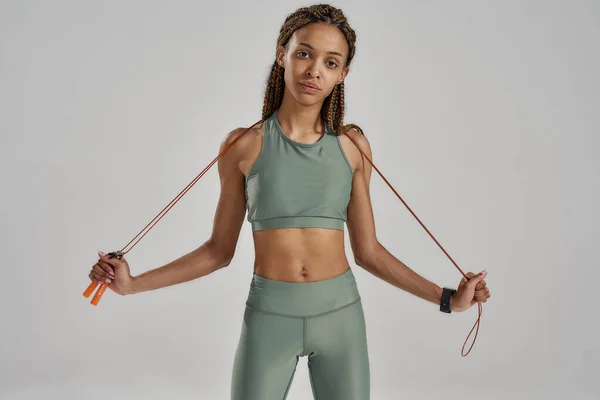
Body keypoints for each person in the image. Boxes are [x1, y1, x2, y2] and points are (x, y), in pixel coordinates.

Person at [88, 4, 491, 399]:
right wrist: (133, 284)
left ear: (343, 74)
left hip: (340, 318)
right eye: (304, 53)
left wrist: (448, 299)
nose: (315, 69)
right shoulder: (242, 146)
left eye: (331, 62)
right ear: (282, 54)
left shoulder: (353, 148)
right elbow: (217, 251)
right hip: (269, 318)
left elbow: (368, 252)